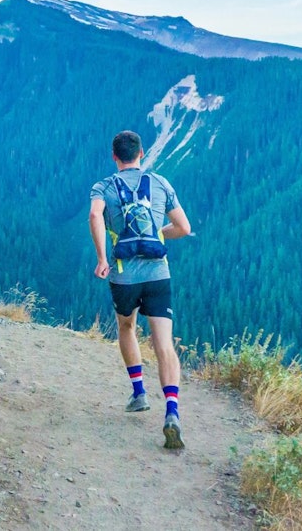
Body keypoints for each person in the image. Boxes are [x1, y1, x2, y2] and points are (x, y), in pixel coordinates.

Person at [89, 130, 192, 450]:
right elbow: (184, 228)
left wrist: (103, 258)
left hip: (124, 276)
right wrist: (156, 235)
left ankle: (139, 393)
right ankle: (172, 412)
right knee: (164, 343)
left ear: (114, 156)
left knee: (127, 326)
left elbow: (95, 214)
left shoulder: (103, 186)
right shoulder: (160, 184)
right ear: (142, 154)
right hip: (158, 274)